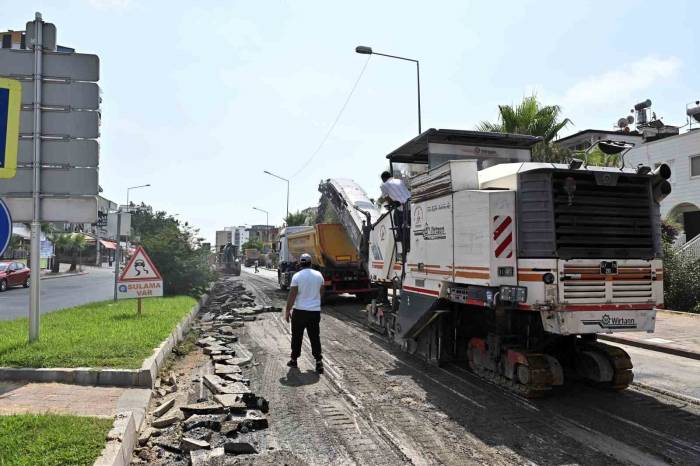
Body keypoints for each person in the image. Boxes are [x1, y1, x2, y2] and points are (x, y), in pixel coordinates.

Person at [285, 253, 325, 374]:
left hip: (300, 311)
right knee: (314, 337)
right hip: (314, 312)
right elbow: (321, 292)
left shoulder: (297, 276)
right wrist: (314, 301)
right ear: (310, 263)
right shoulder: (319, 275)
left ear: (301, 263)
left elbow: (292, 295)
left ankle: (294, 359)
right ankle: (318, 362)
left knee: (297, 336)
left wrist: (287, 310)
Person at [378, 170, 410, 239]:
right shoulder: (399, 181)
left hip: (401, 207)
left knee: (396, 219)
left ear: (383, 179)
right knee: (408, 223)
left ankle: (400, 236)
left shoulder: (384, 185)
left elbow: (386, 197)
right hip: (410, 204)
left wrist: (391, 204)